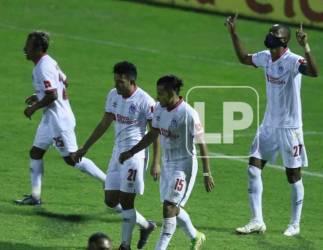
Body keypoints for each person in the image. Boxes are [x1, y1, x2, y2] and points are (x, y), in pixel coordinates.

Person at [225, 15, 318, 236]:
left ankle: (295, 224)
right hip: (268, 124)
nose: (269, 37)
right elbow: (244, 58)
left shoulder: (293, 61)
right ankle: (257, 220)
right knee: (253, 167)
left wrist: (305, 45)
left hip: (289, 128)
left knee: (293, 175)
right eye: (269, 33)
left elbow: (314, 72)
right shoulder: (266, 57)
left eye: (274, 35)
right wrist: (233, 33)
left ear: (284, 41)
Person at [119, 74, 215, 250]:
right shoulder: (159, 109)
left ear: (172, 92)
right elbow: (153, 134)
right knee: (173, 208)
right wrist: (131, 151)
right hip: (168, 164)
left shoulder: (188, 113)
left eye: (161, 93)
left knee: (169, 207)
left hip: (184, 165)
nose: (157, 97)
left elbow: (202, 144)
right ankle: (196, 236)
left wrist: (207, 173)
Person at [73, 61, 158, 250]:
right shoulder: (113, 95)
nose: (116, 85)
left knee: (127, 201)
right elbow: (104, 123)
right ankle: (146, 225)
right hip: (117, 153)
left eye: (120, 82)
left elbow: (155, 133)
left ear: (131, 81)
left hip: (134, 157)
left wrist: (156, 163)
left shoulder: (146, 101)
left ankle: (125, 245)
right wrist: (85, 147)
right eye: (115, 81)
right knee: (111, 200)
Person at [15, 31, 106, 206]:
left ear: (38, 48)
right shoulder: (49, 62)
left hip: (59, 121)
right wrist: (39, 94)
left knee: (72, 159)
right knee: (36, 152)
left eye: (28, 46)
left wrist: (33, 108)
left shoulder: (42, 67)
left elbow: (52, 95)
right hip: (50, 119)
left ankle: (107, 181)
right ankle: (35, 197)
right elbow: (65, 80)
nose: (24, 49)